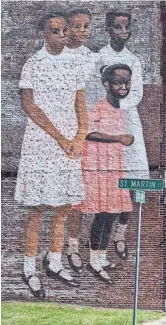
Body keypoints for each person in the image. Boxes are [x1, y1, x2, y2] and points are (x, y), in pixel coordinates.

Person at [16, 12, 87, 297]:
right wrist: (59, 137)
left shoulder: (75, 63)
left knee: (63, 207)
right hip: (41, 142)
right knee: (38, 209)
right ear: (44, 34)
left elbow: (80, 102)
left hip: (69, 144)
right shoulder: (33, 64)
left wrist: (80, 136)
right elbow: (29, 106)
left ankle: (55, 260)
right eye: (54, 31)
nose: (60, 35)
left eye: (64, 30)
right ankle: (29, 266)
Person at [72, 63, 135, 284]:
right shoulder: (100, 107)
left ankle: (102, 256)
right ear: (106, 84)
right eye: (118, 81)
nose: (124, 86)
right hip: (97, 169)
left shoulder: (120, 109)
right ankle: (93, 259)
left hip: (114, 169)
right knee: (102, 216)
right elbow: (88, 132)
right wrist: (118, 138)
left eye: (127, 82)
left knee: (111, 215)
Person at [96, 11, 149, 260]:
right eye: (118, 27)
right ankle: (99, 246)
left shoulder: (134, 60)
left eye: (127, 27)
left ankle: (120, 233)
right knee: (108, 182)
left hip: (128, 122)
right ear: (109, 29)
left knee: (132, 183)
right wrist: (106, 109)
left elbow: (135, 93)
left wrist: (119, 105)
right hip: (105, 121)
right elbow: (94, 91)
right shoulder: (99, 57)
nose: (124, 31)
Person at [63, 7, 97, 274]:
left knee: (81, 199)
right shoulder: (55, 56)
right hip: (58, 131)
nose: (82, 31)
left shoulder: (92, 59)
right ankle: (63, 249)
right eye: (77, 26)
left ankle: (78, 248)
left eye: (86, 26)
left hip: (84, 133)